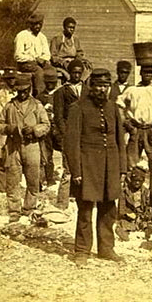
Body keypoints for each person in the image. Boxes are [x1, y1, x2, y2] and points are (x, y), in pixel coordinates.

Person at [65, 68, 127, 266]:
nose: (102, 89)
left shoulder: (113, 108)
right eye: (98, 85)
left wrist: (122, 169)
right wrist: (76, 170)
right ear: (91, 87)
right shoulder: (78, 108)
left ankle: (106, 248)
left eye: (106, 86)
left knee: (109, 209)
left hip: (110, 166)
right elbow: (71, 142)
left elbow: (119, 140)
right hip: (88, 165)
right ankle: (82, 251)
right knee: (85, 210)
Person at [0, 73, 50, 222]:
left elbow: (47, 125)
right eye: (19, 91)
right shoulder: (9, 106)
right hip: (14, 147)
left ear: (30, 89)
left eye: (25, 90)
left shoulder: (37, 106)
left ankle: (29, 208)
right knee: (13, 180)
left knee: (33, 180)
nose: (22, 94)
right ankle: (14, 211)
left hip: (32, 147)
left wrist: (34, 129)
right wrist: (10, 128)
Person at [53, 59, 88, 209]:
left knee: (84, 167)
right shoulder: (61, 92)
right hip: (70, 134)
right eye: (74, 72)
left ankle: (83, 197)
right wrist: (65, 135)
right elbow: (59, 116)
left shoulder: (87, 90)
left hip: (85, 134)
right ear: (69, 73)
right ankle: (62, 202)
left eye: (79, 73)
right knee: (68, 168)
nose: (76, 75)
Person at [14, 12, 51, 95]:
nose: (38, 26)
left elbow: (47, 54)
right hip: (25, 64)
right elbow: (18, 56)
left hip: (40, 63)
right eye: (35, 24)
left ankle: (50, 97)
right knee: (39, 72)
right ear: (30, 24)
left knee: (52, 72)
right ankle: (39, 96)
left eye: (40, 24)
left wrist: (43, 59)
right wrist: (34, 58)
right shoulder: (22, 35)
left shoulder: (42, 37)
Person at [0, 68, 16, 193]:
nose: (12, 81)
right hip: (5, 126)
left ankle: (11, 184)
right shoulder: (2, 94)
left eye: (13, 78)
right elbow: (3, 111)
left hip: (14, 127)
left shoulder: (17, 92)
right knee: (2, 155)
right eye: (10, 79)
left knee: (13, 156)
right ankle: (2, 186)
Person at [36, 67, 59, 188]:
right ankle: (48, 178)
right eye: (48, 83)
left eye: (53, 83)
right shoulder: (40, 97)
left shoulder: (60, 94)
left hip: (58, 128)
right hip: (46, 129)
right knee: (47, 154)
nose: (50, 85)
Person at [115, 167, 152, 241]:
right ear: (131, 180)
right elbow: (121, 209)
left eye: (140, 181)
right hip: (129, 217)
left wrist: (146, 215)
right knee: (122, 225)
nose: (137, 183)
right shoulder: (125, 192)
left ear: (143, 181)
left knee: (149, 225)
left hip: (141, 217)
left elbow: (149, 207)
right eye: (135, 180)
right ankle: (126, 237)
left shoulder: (146, 192)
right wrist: (128, 215)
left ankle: (148, 234)